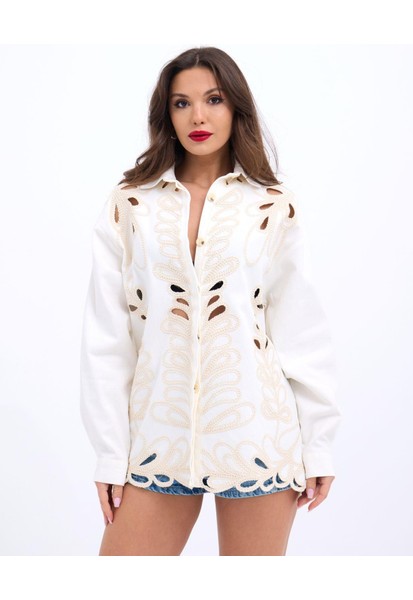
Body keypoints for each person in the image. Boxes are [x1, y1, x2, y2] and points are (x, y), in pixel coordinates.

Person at [79, 46, 342, 556]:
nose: (198, 116)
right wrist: (110, 453)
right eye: (182, 103)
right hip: (156, 443)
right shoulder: (131, 204)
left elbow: (301, 330)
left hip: (258, 439)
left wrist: (319, 445)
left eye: (213, 99)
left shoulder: (272, 205)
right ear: (167, 114)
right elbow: (107, 338)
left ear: (236, 107)